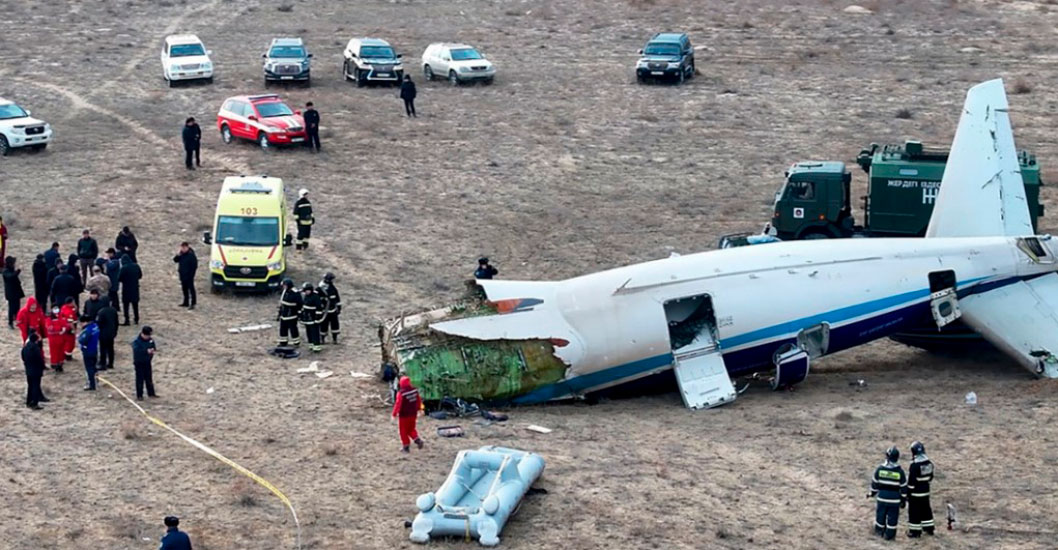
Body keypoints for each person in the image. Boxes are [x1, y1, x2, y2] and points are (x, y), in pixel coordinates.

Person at [869, 445, 908, 541]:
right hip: (894, 500)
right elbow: (903, 488)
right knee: (892, 518)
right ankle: (890, 536)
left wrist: (872, 493)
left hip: (882, 497)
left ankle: (879, 531)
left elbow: (875, 484)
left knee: (880, 515)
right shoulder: (900, 472)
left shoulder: (880, 469)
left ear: (887, 456)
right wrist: (903, 500)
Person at [907, 441, 936, 537]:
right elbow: (931, 477)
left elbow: (911, 482)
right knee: (926, 510)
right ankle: (929, 528)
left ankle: (915, 532)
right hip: (925, 491)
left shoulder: (914, 465)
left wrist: (908, 493)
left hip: (915, 494)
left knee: (914, 512)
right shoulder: (929, 463)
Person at [392, 376, 424, 453]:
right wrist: (420, 409)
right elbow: (418, 400)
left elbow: (398, 404)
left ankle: (406, 447)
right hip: (413, 414)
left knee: (403, 431)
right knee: (411, 429)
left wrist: (394, 414)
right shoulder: (415, 391)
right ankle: (418, 440)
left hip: (404, 415)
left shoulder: (401, 393)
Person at [22, 331, 48, 410]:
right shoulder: (36, 349)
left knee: (30, 386)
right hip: (36, 370)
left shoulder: (25, 347)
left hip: (28, 370)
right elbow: (39, 360)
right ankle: (34, 403)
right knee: (36, 386)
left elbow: (23, 357)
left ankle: (29, 401)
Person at [131, 325, 157, 400]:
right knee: (140, 379)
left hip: (147, 362)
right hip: (139, 363)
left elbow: (153, 346)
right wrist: (146, 351)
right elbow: (136, 351)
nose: (149, 337)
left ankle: (151, 393)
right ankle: (139, 395)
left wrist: (152, 350)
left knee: (149, 378)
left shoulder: (150, 340)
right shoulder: (137, 341)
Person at [118, 253, 142, 325]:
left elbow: (119, 278)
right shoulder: (136, 266)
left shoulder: (124, 268)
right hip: (135, 288)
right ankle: (136, 319)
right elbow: (140, 275)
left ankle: (127, 320)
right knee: (135, 305)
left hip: (126, 289)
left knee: (126, 305)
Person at [299, 282, 324, 353]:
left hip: (313, 318)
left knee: (315, 332)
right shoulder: (306, 296)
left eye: (306, 290)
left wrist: (317, 318)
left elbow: (319, 309)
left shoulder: (315, 297)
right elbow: (304, 306)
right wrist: (301, 315)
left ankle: (317, 346)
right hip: (307, 318)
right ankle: (311, 344)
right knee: (308, 331)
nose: (305, 292)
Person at [276, 278, 302, 347]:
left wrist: (299, 314)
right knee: (283, 329)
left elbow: (299, 304)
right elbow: (282, 303)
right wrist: (279, 314)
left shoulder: (295, 293)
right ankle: (283, 342)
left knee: (293, 329)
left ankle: (296, 342)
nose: (283, 287)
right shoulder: (285, 291)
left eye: (284, 285)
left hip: (292, 315)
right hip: (284, 314)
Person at [45, 306, 70, 372]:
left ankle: (60, 364)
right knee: (54, 352)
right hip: (53, 339)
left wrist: (63, 328)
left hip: (61, 338)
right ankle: (55, 364)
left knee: (61, 351)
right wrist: (60, 328)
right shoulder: (49, 319)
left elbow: (64, 324)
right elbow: (50, 328)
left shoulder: (61, 317)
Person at [318, 272, 341, 344]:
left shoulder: (333, 288)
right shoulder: (319, 289)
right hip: (324, 311)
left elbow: (337, 298)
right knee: (323, 325)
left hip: (333, 310)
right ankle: (322, 339)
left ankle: (335, 339)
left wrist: (339, 307)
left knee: (335, 325)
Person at [173, 242, 197, 309]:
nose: (183, 249)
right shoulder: (181, 254)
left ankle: (193, 303)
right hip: (182, 275)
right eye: (182, 247)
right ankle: (186, 302)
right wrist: (178, 255)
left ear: (187, 247)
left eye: (184, 247)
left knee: (191, 289)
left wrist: (191, 275)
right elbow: (175, 260)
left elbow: (194, 266)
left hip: (189, 276)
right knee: (184, 289)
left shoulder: (191, 255)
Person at [96, 300, 119, 371]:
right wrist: (115, 331)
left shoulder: (101, 312)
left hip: (103, 333)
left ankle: (103, 364)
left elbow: (99, 323)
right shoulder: (113, 310)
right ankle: (111, 363)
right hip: (111, 332)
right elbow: (116, 322)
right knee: (110, 348)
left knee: (103, 349)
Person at [78, 318, 100, 391]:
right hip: (94, 350)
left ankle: (92, 385)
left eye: (81, 323)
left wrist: (79, 338)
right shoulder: (95, 326)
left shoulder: (88, 330)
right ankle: (96, 380)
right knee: (94, 366)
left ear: (85, 322)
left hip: (88, 351)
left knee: (89, 368)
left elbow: (82, 340)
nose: (81, 325)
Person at [3, 256, 24, 328]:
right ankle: (10, 322)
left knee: (17, 307)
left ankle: (18, 319)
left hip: (16, 292)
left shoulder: (11, 269)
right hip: (11, 293)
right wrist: (18, 271)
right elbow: (11, 277)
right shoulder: (5, 271)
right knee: (11, 308)